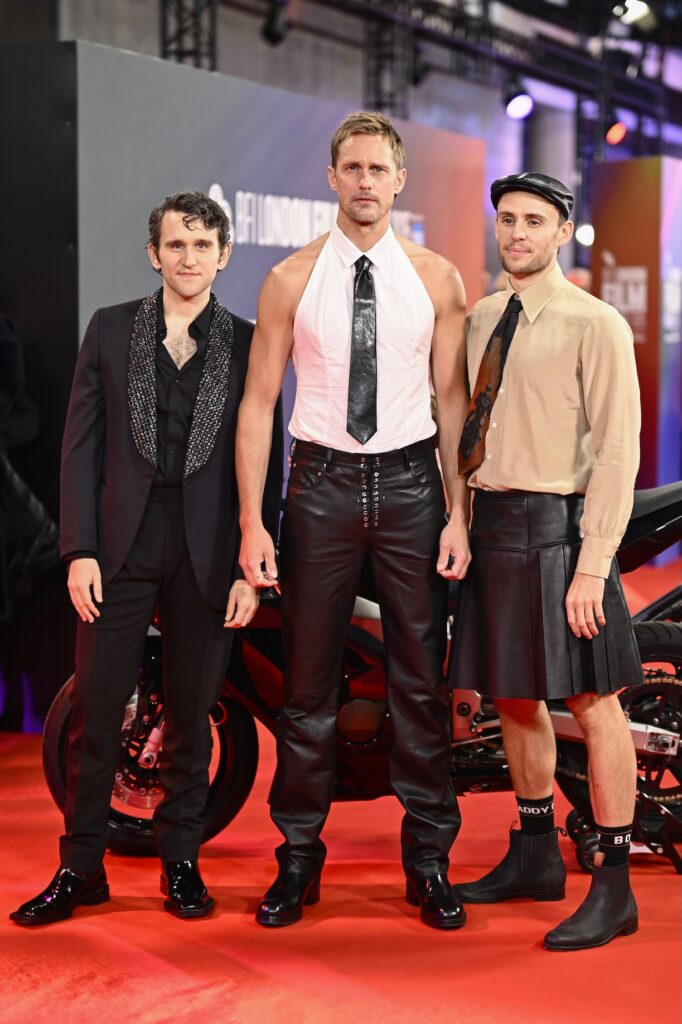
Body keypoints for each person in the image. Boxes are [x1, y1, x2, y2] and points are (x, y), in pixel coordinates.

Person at [10, 190, 283, 926]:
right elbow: (79, 449)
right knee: (98, 714)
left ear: (223, 255)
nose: (188, 258)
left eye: (202, 246)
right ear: (153, 253)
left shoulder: (250, 340)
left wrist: (251, 568)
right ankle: (80, 869)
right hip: (120, 546)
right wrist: (80, 550)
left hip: (212, 547)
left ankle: (182, 865)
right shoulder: (108, 331)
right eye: (175, 245)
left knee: (195, 719)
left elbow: (268, 458)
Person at [236, 111, 470, 930]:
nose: (367, 181)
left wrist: (459, 517)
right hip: (321, 487)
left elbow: (452, 404)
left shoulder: (439, 278)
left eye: (380, 169)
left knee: (420, 683)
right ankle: (298, 858)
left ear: (400, 181)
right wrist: (254, 523)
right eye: (354, 168)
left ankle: (429, 862)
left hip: (412, 488)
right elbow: (260, 404)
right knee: (306, 690)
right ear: (332, 178)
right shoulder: (290, 279)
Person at [449, 172, 642, 951]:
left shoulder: (595, 324)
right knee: (512, 697)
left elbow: (621, 449)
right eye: (507, 219)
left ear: (563, 231)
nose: (518, 233)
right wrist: (460, 521)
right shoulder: (482, 317)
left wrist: (593, 563)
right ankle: (533, 855)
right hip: (492, 523)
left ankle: (616, 887)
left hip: (561, 528)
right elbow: (463, 431)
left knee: (595, 704)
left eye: (534, 221)